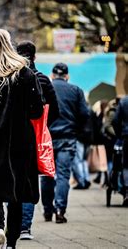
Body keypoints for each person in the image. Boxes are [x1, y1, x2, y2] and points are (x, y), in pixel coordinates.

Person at [0, 29, 43, 249]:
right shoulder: (25, 73)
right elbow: (36, 111)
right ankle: (12, 241)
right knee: (17, 191)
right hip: (20, 139)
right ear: (9, 44)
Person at [16, 41, 59, 241]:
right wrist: (42, 126)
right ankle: (25, 227)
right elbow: (55, 110)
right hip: (34, 137)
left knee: (14, 179)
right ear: (35, 57)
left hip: (13, 137)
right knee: (30, 180)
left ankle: (12, 224)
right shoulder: (42, 79)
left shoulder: (11, 78)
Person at [41, 62, 90, 224]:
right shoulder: (76, 91)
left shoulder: (46, 88)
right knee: (63, 174)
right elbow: (85, 114)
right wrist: (78, 129)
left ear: (52, 75)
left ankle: (47, 210)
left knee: (46, 174)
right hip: (68, 137)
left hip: (47, 137)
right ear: (67, 76)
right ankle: (60, 209)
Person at [112, 96, 128, 206]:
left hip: (127, 136)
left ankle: (127, 191)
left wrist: (119, 135)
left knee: (126, 165)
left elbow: (115, 120)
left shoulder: (124, 101)